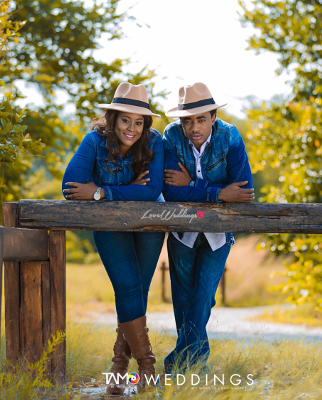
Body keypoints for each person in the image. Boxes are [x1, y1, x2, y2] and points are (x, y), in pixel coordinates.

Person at [62, 82, 164, 394]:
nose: (132, 129)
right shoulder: (94, 141)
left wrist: (102, 191)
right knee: (128, 288)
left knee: (136, 293)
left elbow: (151, 191)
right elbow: (70, 185)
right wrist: (125, 189)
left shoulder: (154, 142)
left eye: (139, 122)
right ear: (112, 118)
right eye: (125, 120)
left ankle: (119, 370)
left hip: (150, 225)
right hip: (108, 227)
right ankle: (146, 368)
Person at [162, 82, 255, 373]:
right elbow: (171, 192)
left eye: (201, 119)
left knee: (202, 297)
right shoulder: (171, 136)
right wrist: (217, 192)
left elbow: (243, 192)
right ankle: (194, 369)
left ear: (213, 117)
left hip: (218, 234)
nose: (193, 127)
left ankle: (177, 363)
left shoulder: (230, 137)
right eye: (187, 120)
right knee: (183, 301)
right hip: (182, 232)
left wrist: (192, 183)